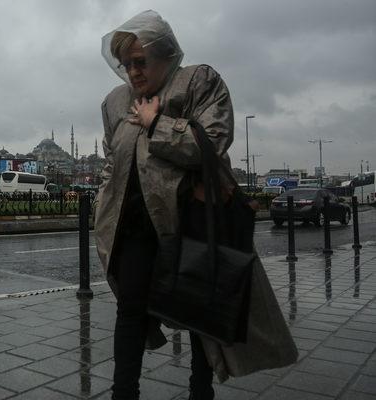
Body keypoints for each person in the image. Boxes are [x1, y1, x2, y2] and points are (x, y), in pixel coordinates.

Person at [95, 10, 297, 400]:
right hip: (134, 227)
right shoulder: (115, 102)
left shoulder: (199, 81)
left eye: (141, 62)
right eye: (126, 64)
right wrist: (105, 207)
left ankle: (200, 391)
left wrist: (157, 123)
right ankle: (124, 393)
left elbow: (213, 141)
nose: (133, 72)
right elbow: (110, 162)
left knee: (199, 312)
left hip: (190, 222)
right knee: (130, 312)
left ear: (166, 55)